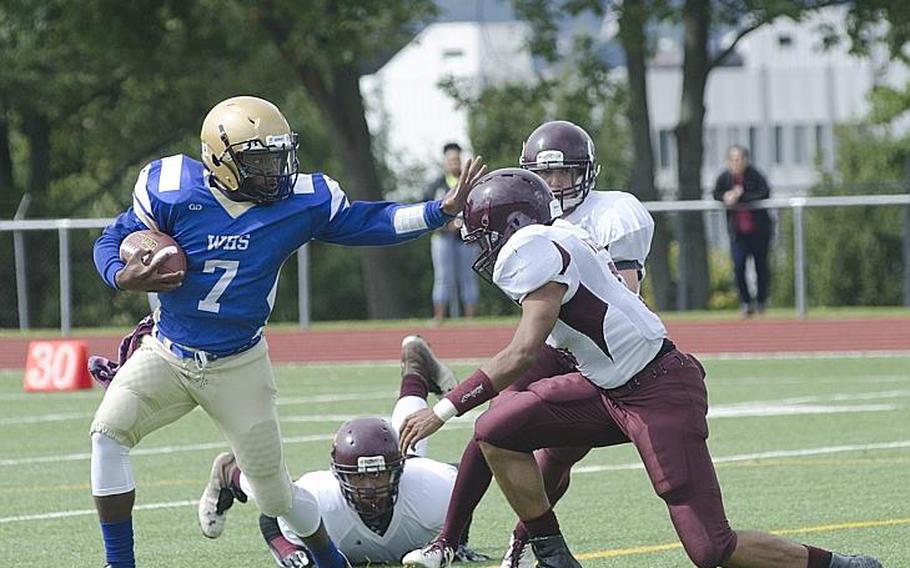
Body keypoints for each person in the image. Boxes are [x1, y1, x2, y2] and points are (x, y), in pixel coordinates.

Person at [398, 169, 882, 568]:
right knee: (497, 429)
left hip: (660, 391)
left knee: (713, 550)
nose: (480, 246)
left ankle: (838, 565)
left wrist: (443, 408)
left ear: (511, 224)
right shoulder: (559, 234)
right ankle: (552, 555)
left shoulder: (537, 250)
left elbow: (522, 352)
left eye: (483, 233)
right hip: (610, 390)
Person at [89, 95, 485, 568]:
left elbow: (369, 221)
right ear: (219, 160)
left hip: (239, 363)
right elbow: (114, 236)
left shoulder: (300, 200)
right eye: (258, 161)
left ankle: (326, 556)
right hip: (168, 352)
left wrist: (437, 211)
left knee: (276, 499)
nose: (274, 171)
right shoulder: (170, 186)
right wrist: (119, 273)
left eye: (278, 156)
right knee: (107, 435)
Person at [402, 120, 655, 568]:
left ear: (588, 172)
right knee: (495, 421)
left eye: (565, 173)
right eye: (546, 173)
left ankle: (524, 544)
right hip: (555, 342)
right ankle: (449, 539)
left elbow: (625, 295)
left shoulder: (616, 212)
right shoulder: (525, 213)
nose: (556, 183)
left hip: (601, 349)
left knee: (559, 454)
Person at [200, 336, 489, 567]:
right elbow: (272, 517)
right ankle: (231, 471)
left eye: (378, 476)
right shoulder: (321, 497)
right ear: (338, 476)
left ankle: (416, 366)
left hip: (409, 470)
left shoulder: (429, 487)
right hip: (373, 478)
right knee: (278, 494)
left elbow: (463, 493)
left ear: (400, 471)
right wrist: (287, 550)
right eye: (361, 478)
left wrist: (454, 541)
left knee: (410, 441)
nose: (370, 487)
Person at [713, 145, 773, 317]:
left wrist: (740, 196)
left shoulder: (755, 176)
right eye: (733, 159)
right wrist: (727, 196)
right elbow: (716, 193)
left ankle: (761, 302)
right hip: (737, 232)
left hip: (758, 232)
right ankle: (745, 302)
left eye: (739, 158)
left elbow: (764, 193)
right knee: (738, 266)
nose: (736, 162)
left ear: (746, 160)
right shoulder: (724, 178)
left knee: (761, 267)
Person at [424, 143, 479, 323]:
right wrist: (445, 226)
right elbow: (424, 208)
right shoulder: (436, 185)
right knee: (443, 277)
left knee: (468, 276)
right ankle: (439, 316)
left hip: (465, 237)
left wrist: (461, 223)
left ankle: (470, 318)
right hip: (442, 237)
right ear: (445, 162)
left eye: (457, 159)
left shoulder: (469, 182)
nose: (454, 163)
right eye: (451, 160)